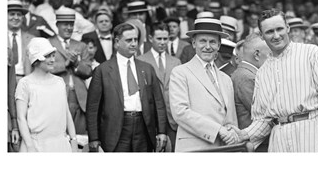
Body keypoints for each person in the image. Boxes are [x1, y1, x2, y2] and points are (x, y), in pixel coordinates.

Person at [231, 9, 318, 152]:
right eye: (269, 32)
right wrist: (244, 134)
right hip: (278, 138)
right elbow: (263, 120)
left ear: (287, 28)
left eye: (279, 29)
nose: (276, 36)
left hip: (311, 132)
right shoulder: (262, 72)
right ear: (262, 36)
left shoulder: (310, 53)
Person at [86, 23, 168, 152]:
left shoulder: (146, 69)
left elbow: (159, 102)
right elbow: (93, 108)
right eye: (129, 40)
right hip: (116, 128)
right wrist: (94, 138)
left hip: (144, 128)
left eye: (135, 40)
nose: (134, 44)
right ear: (117, 42)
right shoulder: (102, 70)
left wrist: (162, 131)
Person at [169, 17, 239, 152]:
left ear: (219, 45)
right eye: (203, 41)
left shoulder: (225, 79)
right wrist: (218, 130)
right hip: (194, 148)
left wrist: (232, 134)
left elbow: (231, 118)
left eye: (212, 42)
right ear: (193, 43)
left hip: (224, 148)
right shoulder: (180, 73)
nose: (208, 46)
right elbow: (180, 112)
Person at [16, 38, 78, 152]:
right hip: (36, 145)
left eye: (53, 55)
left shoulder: (59, 82)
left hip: (61, 144)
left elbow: (66, 112)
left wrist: (74, 140)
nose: (52, 60)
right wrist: (30, 146)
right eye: (48, 56)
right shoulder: (25, 83)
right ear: (36, 59)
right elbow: (21, 118)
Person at [137, 22, 181, 151]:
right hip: (151, 118)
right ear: (150, 38)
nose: (163, 42)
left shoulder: (176, 62)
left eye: (165, 39)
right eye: (159, 39)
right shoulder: (140, 61)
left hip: (173, 119)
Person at [49, 8, 92, 135]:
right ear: (57, 25)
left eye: (71, 24)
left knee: (79, 137)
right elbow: (44, 68)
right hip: (57, 94)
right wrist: (66, 64)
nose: (69, 28)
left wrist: (77, 63)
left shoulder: (81, 45)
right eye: (65, 24)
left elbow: (88, 71)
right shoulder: (48, 43)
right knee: (58, 135)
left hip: (79, 97)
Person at [231, 32, 271, 152]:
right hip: (256, 145)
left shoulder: (245, 74)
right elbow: (265, 113)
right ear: (257, 55)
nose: (272, 57)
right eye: (269, 53)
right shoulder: (247, 78)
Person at [8, 0, 35, 82]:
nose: (16, 18)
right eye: (12, 14)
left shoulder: (31, 39)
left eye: (19, 15)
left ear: (22, 18)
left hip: (25, 80)